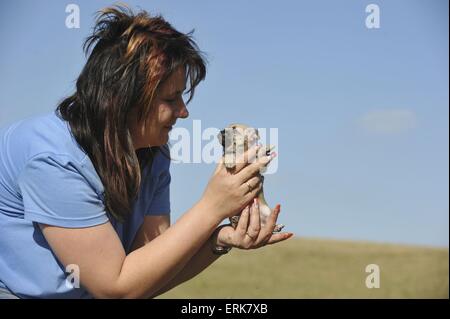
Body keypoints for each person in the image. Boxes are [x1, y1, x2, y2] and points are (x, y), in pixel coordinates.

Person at [0, 5, 292, 299]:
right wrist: (212, 206)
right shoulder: (52, 159)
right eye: (170, 98)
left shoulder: (152, 153)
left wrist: (220, 238)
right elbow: (115, 288)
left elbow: (149, 272)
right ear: (123, 100)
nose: (184, 111)